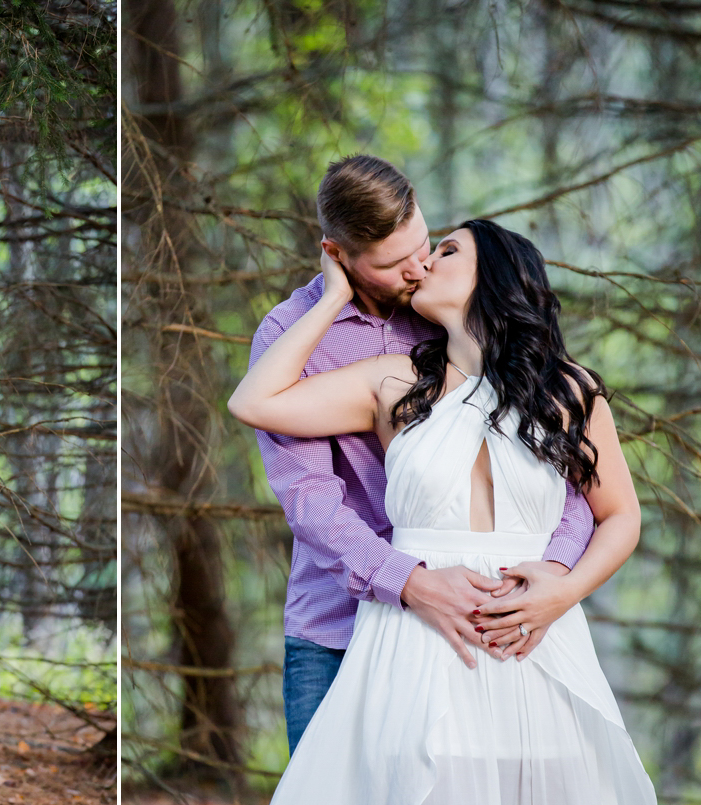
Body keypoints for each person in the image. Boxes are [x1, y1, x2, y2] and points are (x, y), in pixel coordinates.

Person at [226, 219, 679, 805]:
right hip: (414, 647)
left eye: (446, 250)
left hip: (536, 651)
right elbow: (253, 400)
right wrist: (330, 296)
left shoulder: (569, 391)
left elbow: (619, 515)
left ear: (493, 275)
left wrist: (562, 589)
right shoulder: (392, 382)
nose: (424, 263)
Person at [251, 156, 596, 755]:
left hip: (476, 618)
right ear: (337, 254)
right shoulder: (290, 334)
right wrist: (408, 580)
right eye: (391, 263)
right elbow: (310, 501)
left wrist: (554, 575)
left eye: (425, 244)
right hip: (339, 622)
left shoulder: (450, 311)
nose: (419, 267)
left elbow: (556, 468)